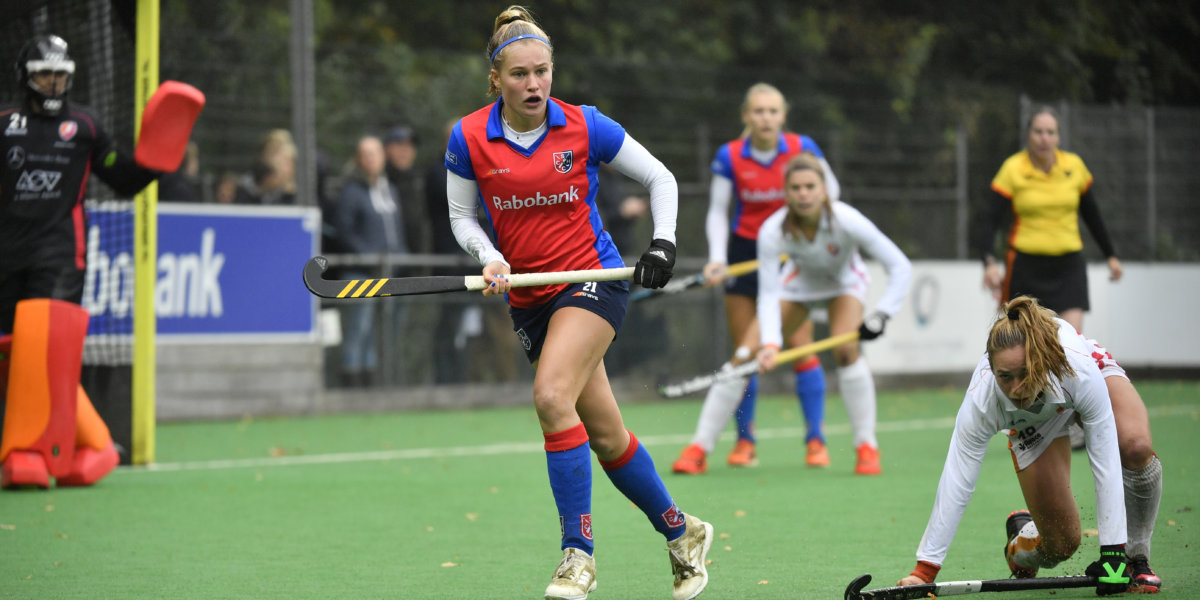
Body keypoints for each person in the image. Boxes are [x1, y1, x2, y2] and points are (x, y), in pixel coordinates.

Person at [443, 7, 712, 599]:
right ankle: (682, 531)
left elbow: (661, 178)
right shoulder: (468, 138)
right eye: (519, 74)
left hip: (593, 280)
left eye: (541, 71)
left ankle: (578, 556)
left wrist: (663, 244)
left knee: (550, 396)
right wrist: (490, 256)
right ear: (496, 79)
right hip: (528, 298)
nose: (533, 84)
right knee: (607, 436)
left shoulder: (586, 125)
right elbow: (462, 215)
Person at [894, 296, 1162, 595]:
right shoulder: (982, 400)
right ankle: (1020, 544)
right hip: (1033, 422)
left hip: (1076, 381)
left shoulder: (1079, 372)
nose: (1016, 389)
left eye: (1025, 373)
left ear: (1041, 361)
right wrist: (925, 570)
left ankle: (1136, 558)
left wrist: (1113, 553)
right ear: (992, 369)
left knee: (1135, 445)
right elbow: (957, 479)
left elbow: (1105, 458)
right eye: (1004, 377)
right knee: (1062, 544)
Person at [677, 154, 909, 476]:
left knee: (846, 351)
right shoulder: (773, 230)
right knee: (744, 355)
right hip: (797, 286)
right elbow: (769, 293)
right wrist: (771, 344)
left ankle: (866, 446)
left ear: (824, 190)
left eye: (810, 186)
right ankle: (699, 447)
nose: (803, 194)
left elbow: (899, 265)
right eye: (796, 188)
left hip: (845, 283)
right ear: (786, 192)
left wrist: (882, 314)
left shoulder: (848, 220)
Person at [1, 35, 162, 489]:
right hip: (6, 257)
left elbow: (125, 178)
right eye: (44, 75)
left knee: (42, 353)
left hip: (59, 257)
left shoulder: (85, 127)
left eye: (60, 75)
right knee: (11, 356)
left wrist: (158, 160)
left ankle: (29, 454)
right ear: (25, 78)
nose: (53, 83)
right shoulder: (4, 124)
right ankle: (96, 444)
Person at [675, 83, 842, 473]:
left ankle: (815, 440)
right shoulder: (730, 155)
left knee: (798, 343)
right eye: (758, 111)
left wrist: (812, 239)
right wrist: (718, 259)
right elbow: (718, 211)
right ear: (746, 116)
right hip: (745, 253)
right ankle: (745, 442)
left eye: (772, 111)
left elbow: (831, 194)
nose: (765, 118)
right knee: (745, 351)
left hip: (791, 252)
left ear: (783, 116)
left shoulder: (802, 148)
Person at [978, 105, 1122, 334]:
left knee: (1069, 342)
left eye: (1050, 132)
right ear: (1028, 135)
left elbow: (1092, 215)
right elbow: (990, 219)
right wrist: (989, 262)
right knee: (1022, 343)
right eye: (1038, 131)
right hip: (1025, 267)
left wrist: (1111, 255)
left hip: (1068, 267)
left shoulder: (1074, 166)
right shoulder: (1013, 168)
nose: (1044, 138)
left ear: (1058, 137)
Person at [326, 135, 407, 387]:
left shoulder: (389, 189)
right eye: (365, 154)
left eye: (375, 153)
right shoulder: (351, 192)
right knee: (357, 329)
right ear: (358, 159)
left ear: (382, 157)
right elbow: (344, 232)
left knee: (378, 332)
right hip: (360, 272)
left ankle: (373, 384)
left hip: (389, 274)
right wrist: (369, 256)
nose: (371, 159)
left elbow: (396, 230)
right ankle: (351, 382)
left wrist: (401, 256)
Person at [384, 125, 432, 260]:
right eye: (399, 145)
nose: (405, 150)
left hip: (418, 254)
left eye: (410, 146)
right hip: (388, 256)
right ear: (387, 149)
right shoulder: (380, 179)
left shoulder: (422, 178)